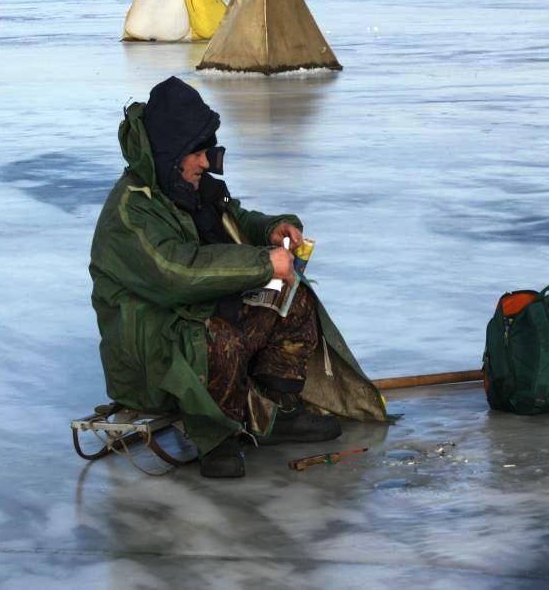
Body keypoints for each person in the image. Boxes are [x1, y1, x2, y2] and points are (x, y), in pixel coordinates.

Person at [89, 77, 386, 478]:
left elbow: (235, 218)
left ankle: (276, 413)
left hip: (192, 317)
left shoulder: (186, 186)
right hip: (151, 353)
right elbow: (178, 272)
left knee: (294, 299)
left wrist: (272, 230)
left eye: (208, 150)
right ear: (170, 153)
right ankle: (217, 437)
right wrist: (264, 264)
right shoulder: (130, 212)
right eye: (198, 152)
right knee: (218, 335)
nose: (207, 162)